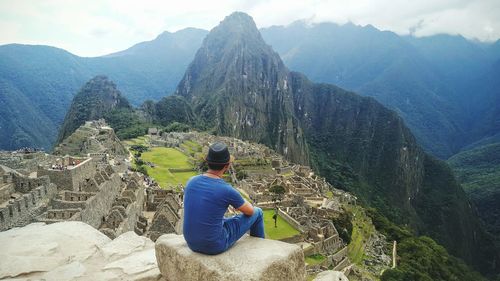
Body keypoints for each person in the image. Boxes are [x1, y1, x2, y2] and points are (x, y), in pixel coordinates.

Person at [183, 142, 265, 255]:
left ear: (207, 162)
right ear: (227, 165)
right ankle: (260, 251)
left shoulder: (191, 181)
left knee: (224, 219)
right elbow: (250, 211)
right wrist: (239, 201)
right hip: (214, 245)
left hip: (191, 242)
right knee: (258, 212)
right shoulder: (227, 190)